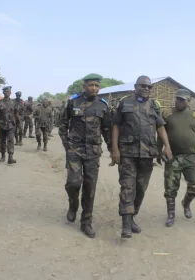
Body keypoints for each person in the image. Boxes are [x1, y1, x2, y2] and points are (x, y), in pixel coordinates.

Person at [111, 75, 173, 238]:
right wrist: (114, 149)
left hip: (147, 154)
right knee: (127, 187)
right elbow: (116, 126)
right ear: (135, 87)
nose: (146, 89)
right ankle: (125, 225)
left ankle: (131, 217)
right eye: (143, 86)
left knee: (141, 188)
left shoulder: (154, 105)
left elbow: (160, 127)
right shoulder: (125, 103)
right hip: (127, 153)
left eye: (149, 87)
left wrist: (167, 146)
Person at [59, 73, 112, 238]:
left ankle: (86, 222)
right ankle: (73, 204)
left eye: (97, 85)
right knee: (73, 183)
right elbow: (62, 124)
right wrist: (67, 146)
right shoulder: (73, 102)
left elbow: (107, 130)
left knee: (90, 188)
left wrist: (112, 149)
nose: (94, 88)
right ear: (84, 86)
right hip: (74, 150)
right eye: (91, 85)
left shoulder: (103, 106)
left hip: (93, 153)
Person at [158, 89, 195, 227]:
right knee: (170, 188)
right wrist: (158, 150)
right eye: (178, 99)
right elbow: (161, 132)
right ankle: (171, 215)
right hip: (172, 156)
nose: (179, 102)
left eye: (183, 100)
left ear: (188, 101)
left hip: (190, 157)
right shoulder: (167, 114)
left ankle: (186, 203)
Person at [0, 86, 17, 164]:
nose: (7, 93)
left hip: (10, 125)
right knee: (2, 141)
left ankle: (10, 157)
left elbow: (16, 113)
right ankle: (3, 156)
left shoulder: (14, 103)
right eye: (5, 91)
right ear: (3, 92)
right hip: (1, 125)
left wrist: (18, 123)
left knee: (10, 140)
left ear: (10, 93)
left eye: (8, 91)